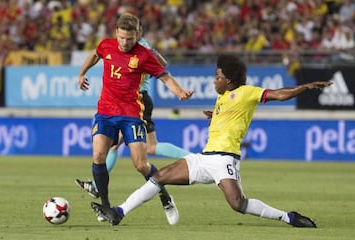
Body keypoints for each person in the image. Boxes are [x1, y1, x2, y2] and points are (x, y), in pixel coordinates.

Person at [91, 54, 332, 227]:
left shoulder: (247, 92)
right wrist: (214, 115)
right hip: (204, 158)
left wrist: (306, 86)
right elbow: (227, 116)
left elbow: (278, 94)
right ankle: (119, 212)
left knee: (238, 204)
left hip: (224, 159)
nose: (213, 80)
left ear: (228, 79)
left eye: (217, 76)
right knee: (158, 177)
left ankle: (287, 217)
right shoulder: (223, 99)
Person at [78, 12, 193, 225]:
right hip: (105, 111)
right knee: (98, 155)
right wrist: (82, 73)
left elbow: (165, 76)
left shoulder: (144, 55)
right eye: (121, 38)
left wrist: (180, 92)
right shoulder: (106, 45)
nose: (124, 43)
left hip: (131, 114)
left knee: (141, 164)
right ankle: (105, 206)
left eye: (129, 39)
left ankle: (165, 197)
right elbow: (95, 54)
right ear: (116, 34)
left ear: (136, 35)